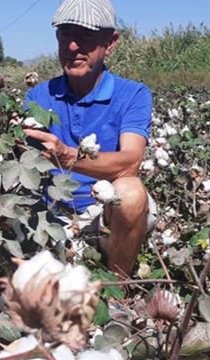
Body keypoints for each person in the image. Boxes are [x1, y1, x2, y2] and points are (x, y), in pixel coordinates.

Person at [23, 0, 155, 277]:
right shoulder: (38, 97)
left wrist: (68, 156)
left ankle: (118, 289)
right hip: (54, 217)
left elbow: (130, 162)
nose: (72, 46)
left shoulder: (133, 95)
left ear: (110, 42)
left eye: (85, 36)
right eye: (65, 34)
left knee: (131, 194)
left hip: (104, 216)